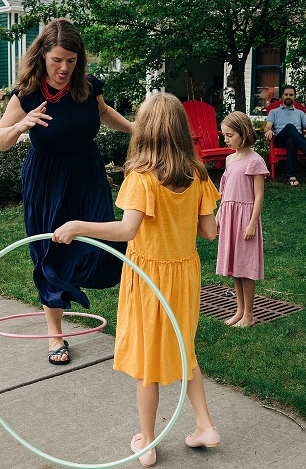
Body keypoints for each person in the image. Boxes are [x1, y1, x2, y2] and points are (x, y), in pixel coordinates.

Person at [52, 93, 221, 467]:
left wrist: (80, 226)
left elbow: (128, 230)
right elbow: (210, 232)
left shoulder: (142, 178)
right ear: (181, 129)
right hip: (185, 274)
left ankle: (147, 443)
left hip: (150, 278)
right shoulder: (197, 174)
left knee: (148, 359)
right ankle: (205, 425)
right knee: (183, 347)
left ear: (143, 131)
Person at [0, 19, 134, 365]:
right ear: (42, 56)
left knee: (106, 244)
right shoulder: (27, 94)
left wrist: (136, 130)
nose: (63, 68)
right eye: (57, 60)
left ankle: (109, 307)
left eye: (70, 60)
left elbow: (104, 112)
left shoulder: (87, 87)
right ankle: (55, 335)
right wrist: (22, 125)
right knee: (49, 253)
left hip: (86, 174)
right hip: (46, 182)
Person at [217, 112, 268, 328]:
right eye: (224, 135)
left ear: (243, 134)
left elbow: (258, 196)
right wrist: (219, 216)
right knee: (234, 267)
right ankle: (239, 310)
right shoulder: (229, 159)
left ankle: (249, 315)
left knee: (245, 268)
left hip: (245, 219)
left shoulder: (255, 160)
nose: (226, 140)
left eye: (230, 135)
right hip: (229, 218)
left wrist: (252, 224)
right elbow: (225, 193)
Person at [263, 85, 306, 186]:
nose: (288, 96)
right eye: (286, 94)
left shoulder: (300, 113)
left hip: (294, 140)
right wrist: (268, 131)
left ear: (294, 97)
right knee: (289, 127)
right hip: (279, 140)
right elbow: (267, 127)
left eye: (291, 95)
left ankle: (291, 176)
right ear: (282, 96)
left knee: (291, 140)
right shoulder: (274, 112)